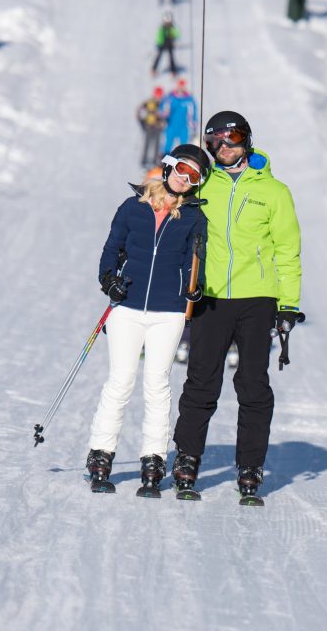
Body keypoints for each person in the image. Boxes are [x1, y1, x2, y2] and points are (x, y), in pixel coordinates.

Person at [171, 110, 303, 501]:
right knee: (201, 381)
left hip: (256, 299)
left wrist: (288, 303)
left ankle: (250, 464)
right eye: (215, 143)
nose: (223, 149)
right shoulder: (201, 183)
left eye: (231, 140)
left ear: (245, 140)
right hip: (210, 297)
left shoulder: (274, 192)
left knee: (252, 383)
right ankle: (188, 457)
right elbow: (163, 193)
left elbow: (287, 250)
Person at [85, 144, 211, 494]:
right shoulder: (132, 208)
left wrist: (195, 287)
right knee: (121, 380)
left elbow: (194, 260)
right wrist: (108, 278)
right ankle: (101, 454)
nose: (185, 179)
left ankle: (153, 461)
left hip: (168, 312)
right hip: (127, 307)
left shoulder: (194, 217)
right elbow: (111, 248)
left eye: (195, 177)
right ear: (168, 166)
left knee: (157, 385)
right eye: (182, 170)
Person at [160, 78, 198, 156]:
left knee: (184, 145)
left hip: (183, 126)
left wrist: (194, 123)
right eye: (180, 86)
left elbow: (193, 112)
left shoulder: (189, 99)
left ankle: (182, 158)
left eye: (183, 86)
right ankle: (164, 159)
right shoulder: (170, 97)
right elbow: (163, 107)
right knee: (168, 143)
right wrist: (163, 115)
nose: (181, 88)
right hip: (171, 125)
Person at [136, 87, 167, 168]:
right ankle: (144, 160)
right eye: (158, 95)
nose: (159, 97)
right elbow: (140, 111)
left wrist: (163, 123)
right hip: (149, 126)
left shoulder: (163, 104)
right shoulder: (149, 102)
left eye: (160, 96)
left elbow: (165, 116)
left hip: (157, 128)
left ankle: (154, 161)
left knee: (157, 144)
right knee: (147, 144)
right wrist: (142, 122)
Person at [152, 12, 180, 77]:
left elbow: (177, 34)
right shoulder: (162, 29)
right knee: (158, 56)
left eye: (169, 22)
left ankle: (173, 71)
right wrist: (160, 43)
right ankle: (154, 69)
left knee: (171, 57)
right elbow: (159, 36)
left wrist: (172, 35)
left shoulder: (172, 28)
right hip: (162, 44)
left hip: (169, 44)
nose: (167, 24)